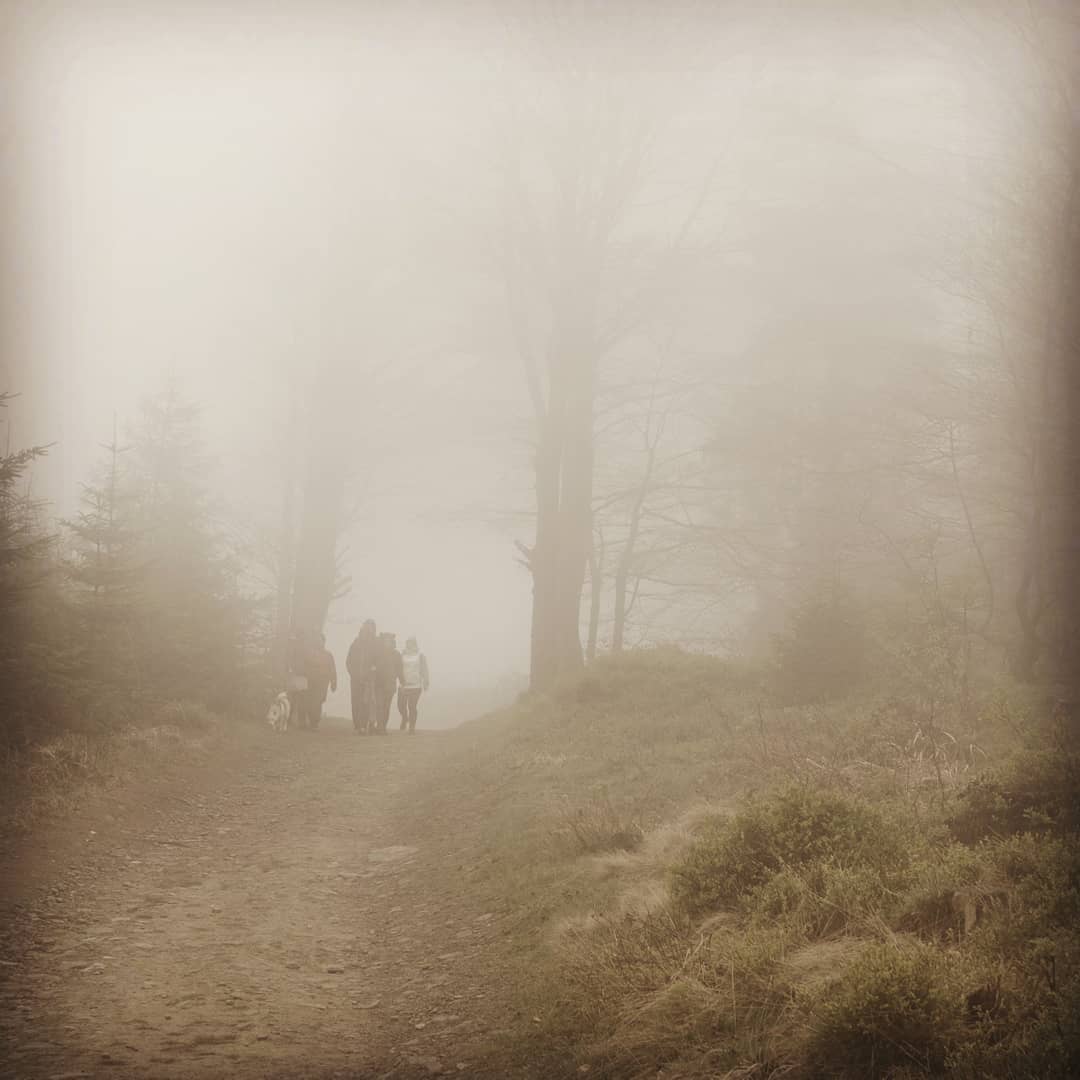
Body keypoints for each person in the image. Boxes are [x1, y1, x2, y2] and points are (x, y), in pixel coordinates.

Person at [346, 620, 379, 734]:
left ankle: (363, 726)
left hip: (369, 679)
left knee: (366, 702)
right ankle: (358, 724)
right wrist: (353, 673)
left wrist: (374, 670)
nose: (369, 630)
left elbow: (378, 660)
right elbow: (349, 661)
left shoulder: (376, 643)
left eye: (371, 627)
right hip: (355, 678)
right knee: (356, 702)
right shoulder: (356, 643)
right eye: (367, 627)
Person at [303, 632, 337, 731]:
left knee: (318, 701)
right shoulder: (309, 653)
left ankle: (315, 723)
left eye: (321, 640)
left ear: (324, 642)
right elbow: (305, 666)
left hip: (323, 683)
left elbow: (332, 669)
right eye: (317, 640)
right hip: (311, 681)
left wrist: (334, 682)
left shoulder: (328, 655)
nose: (319, 642)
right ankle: (312, 721)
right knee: (310, 702)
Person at [397, 637, 429, 734]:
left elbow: (424, 669)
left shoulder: (420, 655)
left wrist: (426, 681)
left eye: (412, 643)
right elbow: (398, 668)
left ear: (415, 644)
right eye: (408, 643)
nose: (410, 645)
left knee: (412, 706)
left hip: (416, 686)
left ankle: (412, 727)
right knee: (401, 705)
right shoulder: (402, 655)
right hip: (403, 685)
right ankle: (404, 717)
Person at [374, 632, 403, 735]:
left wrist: (402, 681)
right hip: (378, 684)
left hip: (390, 685)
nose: (387, 642)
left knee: (386, 707)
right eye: (385, 640)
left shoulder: (396, 655)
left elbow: (400, 670)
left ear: (392, 642)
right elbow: (372, 666)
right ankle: (380, 727)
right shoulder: (377, 653)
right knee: (379, 705)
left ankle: (382, 726)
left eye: (389, 641)